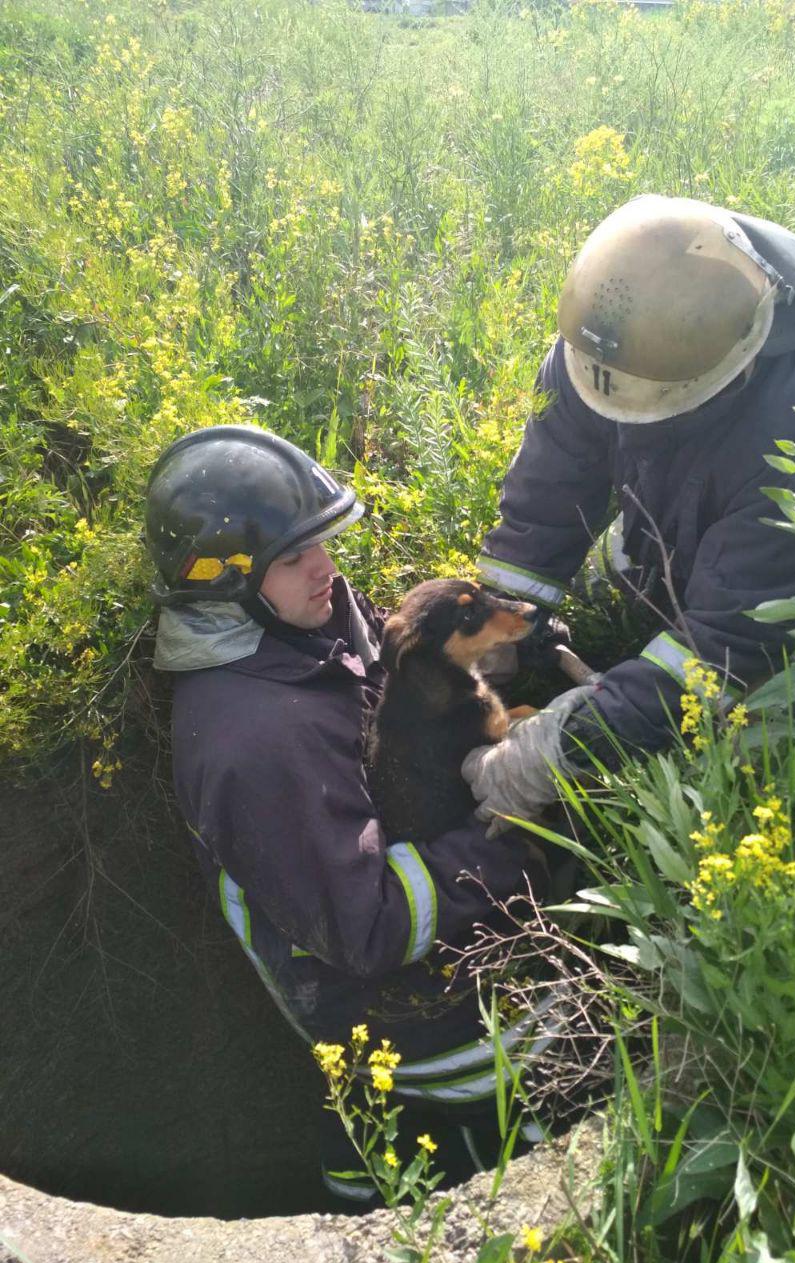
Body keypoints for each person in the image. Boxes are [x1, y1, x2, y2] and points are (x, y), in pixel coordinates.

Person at [144, 426, 550, 1205]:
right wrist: (513, 842)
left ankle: (366, 1161)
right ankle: (389, 1193)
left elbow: (406, 683)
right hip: (389, 1012)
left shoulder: (300, 621)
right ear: (223, 584)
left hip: (385, 954)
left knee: (383, 1133)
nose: (327, 568)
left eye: (320, 542)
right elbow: (365, 927)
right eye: (295, 557)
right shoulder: (254, 742)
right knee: (566, 1072)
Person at [464, 194, 795, 822]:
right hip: (683, 525)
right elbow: (551, 484)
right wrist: (496, 622)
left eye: (654, 407)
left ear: (731, 370)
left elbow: (729, 644)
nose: (624, 419)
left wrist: (561, 750)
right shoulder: (609, 351)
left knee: (775, 725)